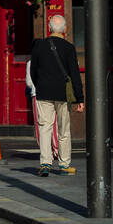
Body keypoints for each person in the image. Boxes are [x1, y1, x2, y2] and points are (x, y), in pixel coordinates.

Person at [29, 14, 84, 176]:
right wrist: (80, 98)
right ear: (65, 29)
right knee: (63, 129)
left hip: (44, 91)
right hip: (62, 93)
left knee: (45, 127)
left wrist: (39, 85)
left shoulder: (38, 46)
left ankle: (45, 163)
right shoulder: (69, 48)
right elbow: (74, 74)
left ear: (49, 28)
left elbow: (33, 71)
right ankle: (64, 164)